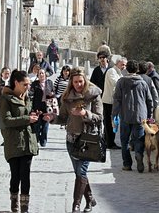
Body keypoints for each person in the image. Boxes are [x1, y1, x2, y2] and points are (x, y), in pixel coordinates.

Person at [0, 70, 46, 213]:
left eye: (29, 84)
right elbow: (6, 121)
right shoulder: (6, 99)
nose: (28, 87)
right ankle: (14, 200)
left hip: (28, 141)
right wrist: (27, 119)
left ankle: (24, 207)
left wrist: (35, 116)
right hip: (14, 142)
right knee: (16, 175)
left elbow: (29, 115)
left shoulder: (28, 98)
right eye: (25, 84)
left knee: (26, 174)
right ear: (16, 83)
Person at [59, 69, 102, 212]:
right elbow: (63, 118)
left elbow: (99, 117)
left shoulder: (93, 95)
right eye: (75, 81)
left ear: (85, 80)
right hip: (71, 139)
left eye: (81, 81)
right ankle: (90, 199)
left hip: (87, 140)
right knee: (78, 172)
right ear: (71, 82)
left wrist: (85, 113)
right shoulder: (66, 97)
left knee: (81, 172)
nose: (78, 84)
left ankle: (75, 205)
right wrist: (51, 118)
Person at [112, 60, 153, 173]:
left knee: (124, 141)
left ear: (127, 69)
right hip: (140, 116)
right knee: (139, 139)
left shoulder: (121, 82)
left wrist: (114, 115)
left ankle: (127, 164)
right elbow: (149, 101)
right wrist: (149, 117)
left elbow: (117, 100)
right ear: (137, 70)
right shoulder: (143, 83)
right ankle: (139, 154)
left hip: (125, 116)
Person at [101, 57, 126, 149]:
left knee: (113, 122)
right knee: (109, 122)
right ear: (117, 63)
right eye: (123, 64)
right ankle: (109, 143)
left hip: (114, 102)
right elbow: (116, 83)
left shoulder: (119, 72)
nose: (124, 67)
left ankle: (109, 141)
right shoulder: (111, 71)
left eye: (125, 65)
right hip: (109, 101)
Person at [30, 68, 55, 147]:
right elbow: (31, 93)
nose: (41, 75)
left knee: (45, 125)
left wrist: (51, 93)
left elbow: (53, 92)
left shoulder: (49, 83)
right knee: (37, 125)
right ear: (37, 75)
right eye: (40, 73)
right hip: (37, 106)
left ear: (45, 75)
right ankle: (36, 139)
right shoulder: (35, 84)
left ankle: (43, 140)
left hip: (47, 107)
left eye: (42, 73)